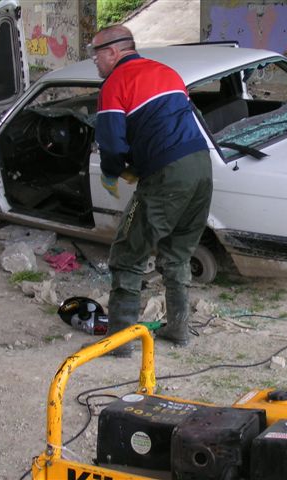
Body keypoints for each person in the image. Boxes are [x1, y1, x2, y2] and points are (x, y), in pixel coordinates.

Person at [88, 25, 213, 357]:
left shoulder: (115, 83)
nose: (94, 62)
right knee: (177, 254)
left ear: (114, 51)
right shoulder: (167, 73)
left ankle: (119, 344)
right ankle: (178, 330)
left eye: (96, 54)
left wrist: (113, 172)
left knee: (127, 256)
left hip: (167, 176)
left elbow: (112, 142)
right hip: (201, 167)